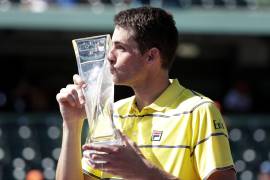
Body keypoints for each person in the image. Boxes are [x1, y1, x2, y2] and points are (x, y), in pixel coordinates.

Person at [56, 6, 236, 180]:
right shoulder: (112, 113)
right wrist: (72, 123)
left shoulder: (199, 110)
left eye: (120, 47)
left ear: (151, 56)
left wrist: (144, 172)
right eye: (111, 46)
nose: (109, 56)